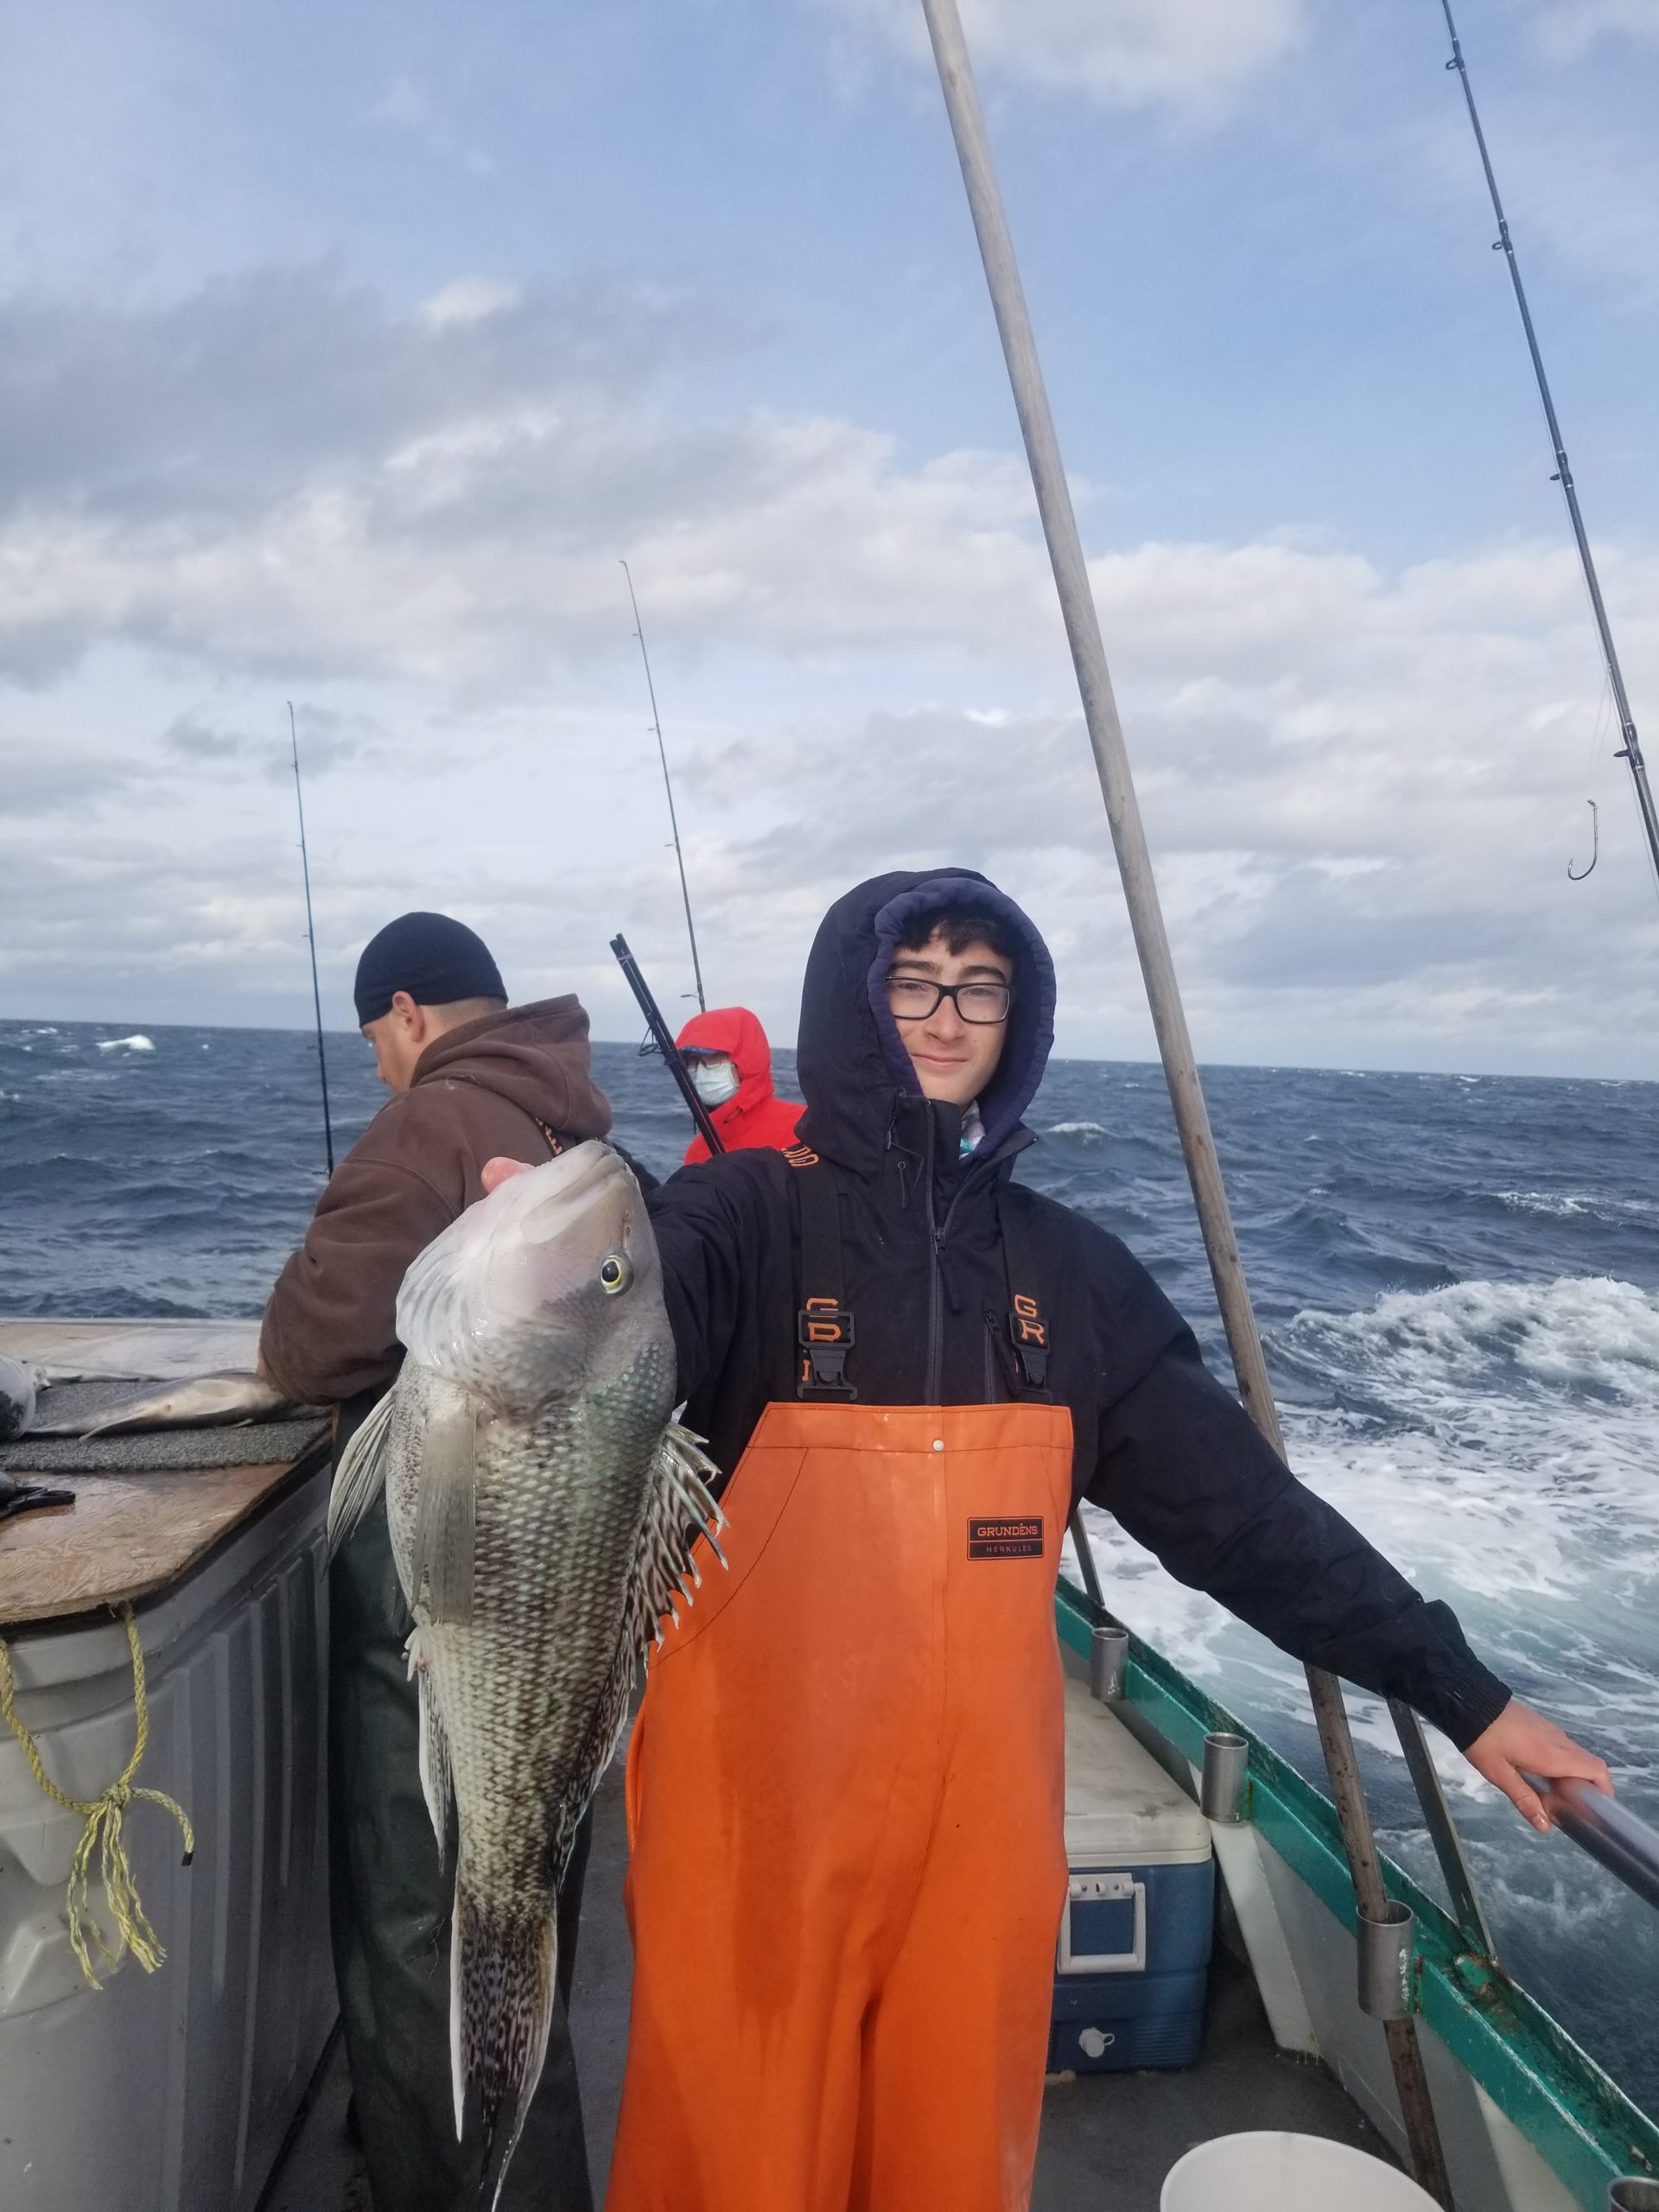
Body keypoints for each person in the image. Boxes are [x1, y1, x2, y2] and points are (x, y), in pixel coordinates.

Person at [490, 867, 1611, 2212]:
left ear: (1018, 1018)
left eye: (981, 988)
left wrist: (1462, 1694)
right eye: (912, 982)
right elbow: (617, 1337)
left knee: (955, 2179)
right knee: (730, 2175)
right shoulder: (742, 1219)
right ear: (854, 1003)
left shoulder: (1069, 1276)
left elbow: (1245, 1519)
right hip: (748, 1851)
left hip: (979, 1870)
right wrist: (547, 1258)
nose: (945, 1016)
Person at [261, 910, 615, 2212]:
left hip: (445, 1612)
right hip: (555, 1631)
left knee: (425, 1942)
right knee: (517, 1932)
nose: (377, 1066)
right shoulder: (578, 1131)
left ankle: (457, 2190)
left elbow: (310, 1344)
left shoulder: (431, 1124)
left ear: (408, 1012)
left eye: (375, 1040)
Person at [674, 1004, 803, 1164]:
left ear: (746, 1060)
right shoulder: (697, 1152)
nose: (700, 1071)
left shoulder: (804, 1127)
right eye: (692, 1062)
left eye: (713, 1058)